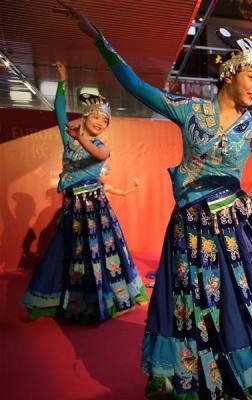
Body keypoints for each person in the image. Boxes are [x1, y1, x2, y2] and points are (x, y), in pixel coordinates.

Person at [60, 3, 252, 399]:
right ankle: (190, 371)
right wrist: (99, 39)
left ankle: (240, 369)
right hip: (189, 225)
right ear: (229, 74)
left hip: (230, 228)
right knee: (187, 298)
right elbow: (136, 86)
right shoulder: (190, 111)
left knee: (234, 296)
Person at [21, 61, 148, 324]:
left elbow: (99, 154)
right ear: (86, 116)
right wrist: (62, 82)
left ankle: (112, 298)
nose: (101, 122)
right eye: (97, 117)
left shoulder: (101, 145)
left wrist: (81, 137)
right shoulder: (69, 139)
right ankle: (55, 300)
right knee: (68, 252)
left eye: (105, 120)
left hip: (95, 208)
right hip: (72, 206)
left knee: (102, 253)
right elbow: (59, 112)